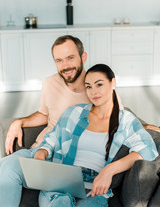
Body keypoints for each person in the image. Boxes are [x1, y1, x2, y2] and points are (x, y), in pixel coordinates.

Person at [0, 64, 158, 207]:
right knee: (60, 202)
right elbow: (51, 140)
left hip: (95, 188)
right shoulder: (74, 113)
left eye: (99, 84)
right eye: (88, 86)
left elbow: (148, 150)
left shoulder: (125, 120)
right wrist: (43, 151)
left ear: (113, 83)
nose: (93, 92)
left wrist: (108, 171)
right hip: (61, 181)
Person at [5, 35, 160, 156]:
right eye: (59, 60)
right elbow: (45, 114)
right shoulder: (49, 83)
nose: (65, 66)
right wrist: (18, 122)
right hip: (39, 150)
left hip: (68, 158)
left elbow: (117, 123)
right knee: (7, 170)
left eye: (70, 58)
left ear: (83, 57)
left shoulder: (99, 91)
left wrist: (143, 127)